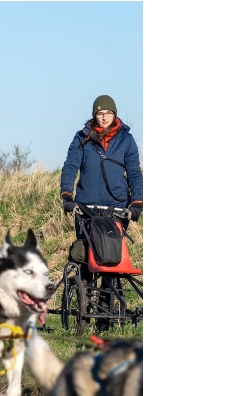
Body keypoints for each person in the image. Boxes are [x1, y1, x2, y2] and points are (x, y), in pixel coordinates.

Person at [59, 94, 143, 329]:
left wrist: (137, 202)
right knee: (86, 261)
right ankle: (83, 315)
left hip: (116, 209)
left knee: (111, 265)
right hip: (86, 209)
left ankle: (104, 322)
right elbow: (70, 166)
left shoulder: (126, 140)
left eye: (108, 113)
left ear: (114, 115)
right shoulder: (82, 138)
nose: (104, 117)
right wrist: (67, 195)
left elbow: (134, 172)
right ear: (94, 115)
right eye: (100, 113)